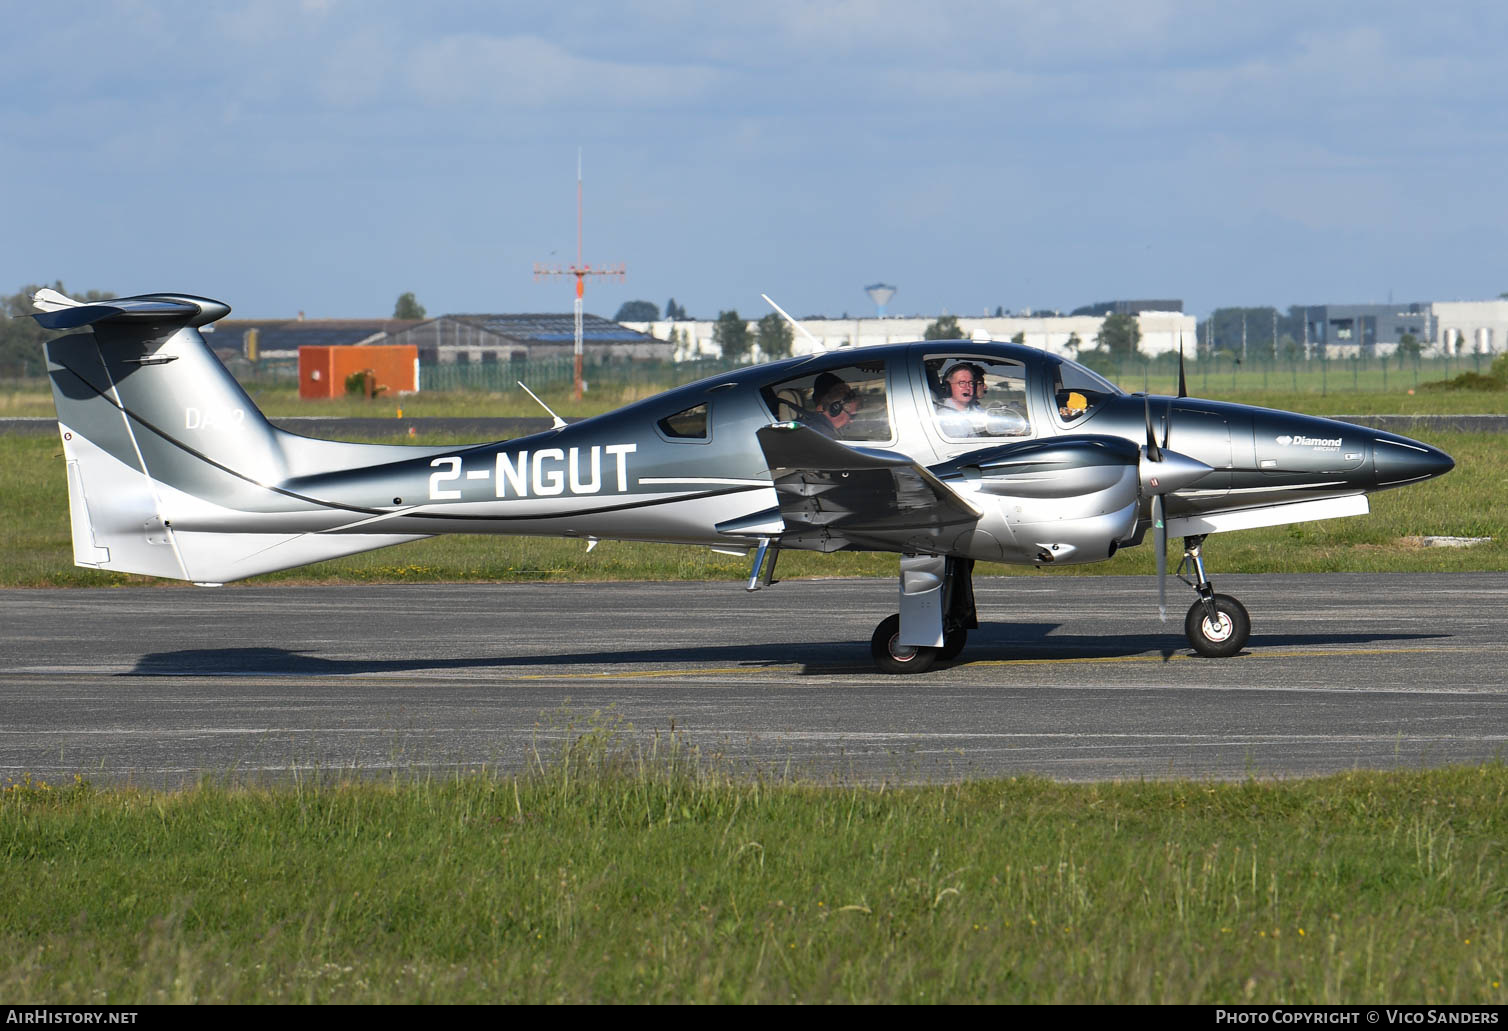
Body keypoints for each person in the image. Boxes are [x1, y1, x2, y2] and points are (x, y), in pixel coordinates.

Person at [934, 362, 988, 437]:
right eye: (962, 383)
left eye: (971, 383)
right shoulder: (946, 417)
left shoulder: (975, 410)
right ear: (948, 387)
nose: (967, 387)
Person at [802, 372, 861, 438]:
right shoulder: (818, 437)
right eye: (851, 416)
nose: (851, 421)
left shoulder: (812, 430)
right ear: (835, 409)